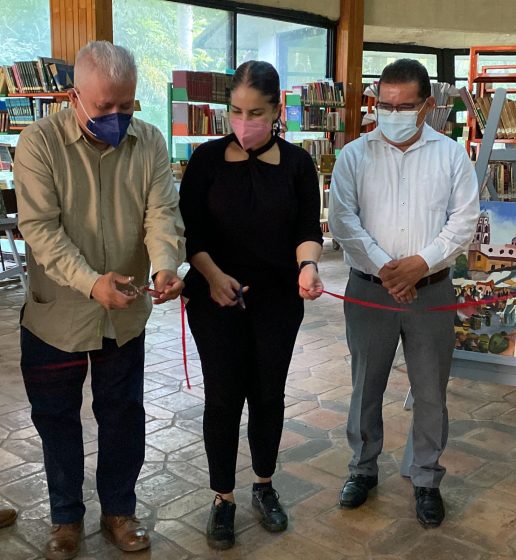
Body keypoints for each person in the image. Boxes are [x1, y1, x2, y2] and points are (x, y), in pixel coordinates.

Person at [14, 41, 185, 560]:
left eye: (126, 105)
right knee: (56, 418)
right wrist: (91, 283)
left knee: (122, 414)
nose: (116, 116)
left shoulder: (149, 141)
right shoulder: (39, 143)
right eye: (104, 106)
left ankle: (119, 511)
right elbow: (40, 230)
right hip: (56, 316)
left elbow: (162, 211)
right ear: (74, 97)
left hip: (124, 314)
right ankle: (66, 516)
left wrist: (165, 264)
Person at [179, 60, 324, 550]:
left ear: (277, 109)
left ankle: (264, 483)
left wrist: (308, 267)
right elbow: (191, 234)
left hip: (278, 300)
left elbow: (307, 228)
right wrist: (212, 277)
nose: (244, 122)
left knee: (267, 395)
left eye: (256, 112)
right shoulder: (205, 160)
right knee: (222, 399)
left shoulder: (299, 165)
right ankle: (223, 497)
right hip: (214, 298)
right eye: (236, 112)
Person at [329, 59, 479, 528]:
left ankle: (427, 478)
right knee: (365, 385)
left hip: (431, 292)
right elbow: (342, 220)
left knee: (431, 390)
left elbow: (464, 221)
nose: (392, 114)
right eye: (385, 105)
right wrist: (387, 269)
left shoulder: (451, 156)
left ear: (427, 106)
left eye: (404, 106)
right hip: (369, 290)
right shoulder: (354, 155)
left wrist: (420, 264)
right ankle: (362, 469)